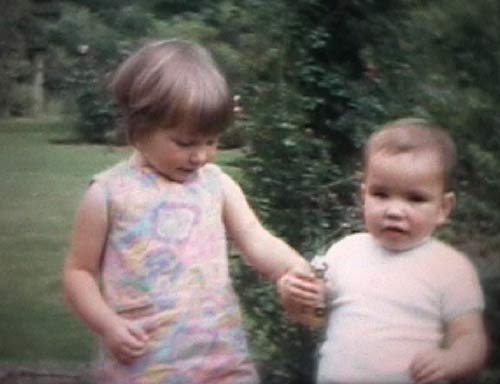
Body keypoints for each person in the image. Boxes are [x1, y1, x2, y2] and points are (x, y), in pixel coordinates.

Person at [62, 39, 317, 384]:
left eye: (211, 141)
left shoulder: (216, 184)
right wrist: (108, 325)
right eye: (185, 143)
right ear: (138, 129)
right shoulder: (108, 194)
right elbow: (79, 271)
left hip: (222, 358)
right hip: (144, 363)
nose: (200, 156)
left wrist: (293, 270)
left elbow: (255, 238)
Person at [279, 118, 488, 383]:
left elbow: (470, 339)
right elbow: (315, 318)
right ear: (363, 196)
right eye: (381, 194)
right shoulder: (344, 252)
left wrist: (451, 361)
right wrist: (297, 299)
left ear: (443, 208)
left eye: (415, 198)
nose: (394, 211)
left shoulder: (450, 266)